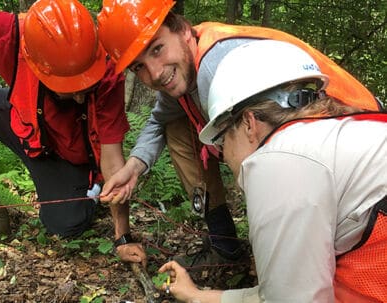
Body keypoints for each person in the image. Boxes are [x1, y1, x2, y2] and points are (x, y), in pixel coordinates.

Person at [96, 0, 382, 268]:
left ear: (183, 30)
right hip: (320, 149)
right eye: (139, 67)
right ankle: (227, 246)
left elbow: (273, 157)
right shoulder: (181, 72)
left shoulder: (220, 67)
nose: (155, 73)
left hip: (353, 139)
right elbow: (159, 120)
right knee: (176, 126)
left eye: (157, 49)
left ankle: (295, 255)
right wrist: (133, 168)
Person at [0, 0, 146, 265]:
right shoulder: (9, 37)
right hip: (21, 117)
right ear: (36, 64)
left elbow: (112, 155)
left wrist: (122, 237)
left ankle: (86, 191)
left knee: (66, 223)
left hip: (67, 153)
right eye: (69, 87)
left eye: (86, 83)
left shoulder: (107, 69)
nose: (81, 98)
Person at [158, 39, 387, 303]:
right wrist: (197, 296)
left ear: (248, 123)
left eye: (222, 140)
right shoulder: (330, 137)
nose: (223, 155)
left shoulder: (279, 159)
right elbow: (289, 291)